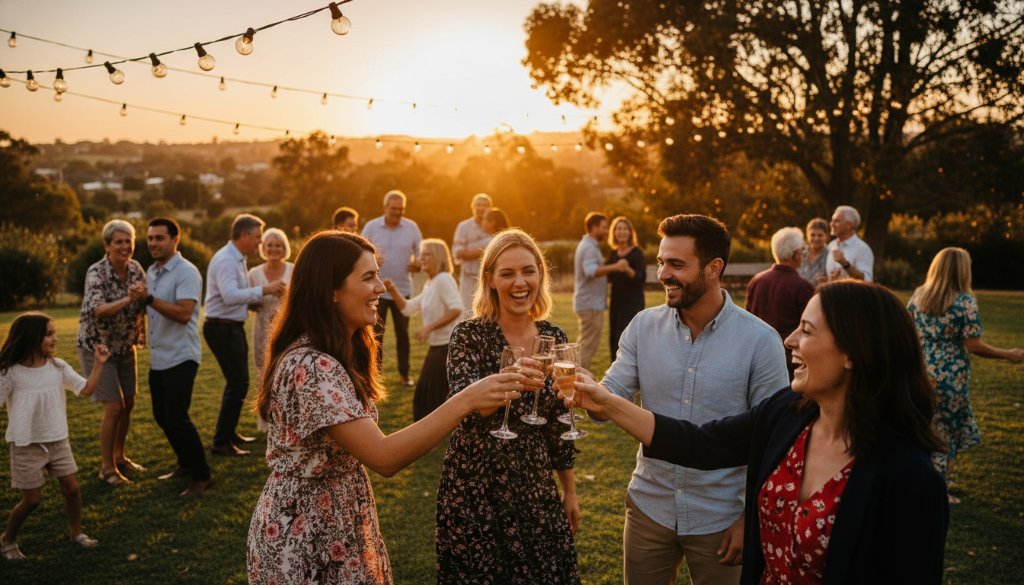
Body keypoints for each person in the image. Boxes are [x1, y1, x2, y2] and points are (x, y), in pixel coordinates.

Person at [574, 280, 950, 584]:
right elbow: (699, 443)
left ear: (852, 353)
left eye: (807, 330)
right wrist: (605, 402)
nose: (790, 341)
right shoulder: (787, 415)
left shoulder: (909, 478)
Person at [246, 231, 525, 585]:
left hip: (338, 518)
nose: (380, 287)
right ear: (330, 289)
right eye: (368, 277)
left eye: (377, 274)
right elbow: (383, 456)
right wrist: (467, 399)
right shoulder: (312, 367)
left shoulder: (336, 352)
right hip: (306, 532)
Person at [597, 214, 789, 585]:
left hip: (722, 516)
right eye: (661, 262)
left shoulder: (760, 341)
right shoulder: (642, 327)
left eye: (676, 264)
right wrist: (586, 391)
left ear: (714, 268)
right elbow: (611, 397)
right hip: (649, 507)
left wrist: (748, 518)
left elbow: (774, 440)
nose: (663, 274)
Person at [436, 228, 581, 584]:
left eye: (529, 271)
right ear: (490, 280)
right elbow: (467, 406)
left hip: (534, 485)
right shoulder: (469, 335)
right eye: (507, 273)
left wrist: (570, 489)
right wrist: (516, 377)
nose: (520, 282)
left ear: (540, 276)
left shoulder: (554, 338)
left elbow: (558, 424)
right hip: (474, 487)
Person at [907, 247, 1024, 502]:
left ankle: (930, 478)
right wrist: (1008, 354)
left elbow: (909, 332)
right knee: (946, 432)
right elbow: (974, 346)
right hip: (951, 377)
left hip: (920, 371)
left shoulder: (918, 296)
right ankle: (939, 489)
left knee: (927, 427)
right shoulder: (965, 302)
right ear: (963, 270)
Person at [1, 312, 109, 559]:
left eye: (54, 333)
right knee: (32, 500)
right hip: (26, 444)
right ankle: (7, 539)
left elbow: (87, 389)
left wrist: (99, 364)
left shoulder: (58, 367)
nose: (55, 339)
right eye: (49, 334)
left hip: (58, 440)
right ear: (31, 337)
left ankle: (76, 532)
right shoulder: (10, 373)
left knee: (72, 490)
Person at [205, 214, 286, 457]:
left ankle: (228, 434)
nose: (260, 242)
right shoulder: (226, 261)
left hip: (231, 326)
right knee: (238, 383)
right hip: (222, 327)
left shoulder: (237, 257)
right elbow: (230, 295)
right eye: (258, 237)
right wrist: (266, 290)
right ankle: (221, 442)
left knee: (236, 383)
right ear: (244, 235)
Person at [144, 218, 214, 496]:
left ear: (176, 240)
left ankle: (202, 475)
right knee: (161, 416)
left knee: (176, 418)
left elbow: (184, 314)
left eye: (159, 238)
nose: (153, 243)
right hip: (158, 355)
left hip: (181, 355)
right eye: (150, 238)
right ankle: (185, 463)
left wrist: (148, 300)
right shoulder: (152, 271)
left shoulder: (187, 272)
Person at [77, 219, 147, 485]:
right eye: (118, 241)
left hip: (125, 346)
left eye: (128, 241)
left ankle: (119, 457)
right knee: (114, 407)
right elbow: (98, 310)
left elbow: (144, 298)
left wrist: (143, 293)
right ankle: (106, 469)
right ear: (107, 245)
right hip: (99, 348)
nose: (125, 246)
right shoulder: (96, 272)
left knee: (128, 403)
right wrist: (131, 297)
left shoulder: (136, 269)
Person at [384, 239, 463, 420]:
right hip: (437, 346)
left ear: (439, 257)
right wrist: (392, 289)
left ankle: (436, 430)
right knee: (425, 396)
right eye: (421, 254)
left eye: (427, 254)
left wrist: (428, 328)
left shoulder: (444, 279)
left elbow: (456, 308)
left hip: (449, 345)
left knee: (427, 397)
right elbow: (408, 308)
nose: (422, 258)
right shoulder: (430, 283)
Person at [361, 190, 423, 387]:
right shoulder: (371, 227)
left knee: (402, 334)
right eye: (394, 209)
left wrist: (417, 264)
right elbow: (359, 251)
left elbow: (422, 253)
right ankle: (375, 376)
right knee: (374, 334)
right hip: (374, 290)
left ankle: (405, 375)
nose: (397, 212)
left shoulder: (412, 227)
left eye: (401, 209)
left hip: (402, 290)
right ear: (385, 208)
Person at [746, 227, 815, 377]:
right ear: (796, 254)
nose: (804, 254)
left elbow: (747, 321)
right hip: (791, 362)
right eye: (803, 250)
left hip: (758, 357)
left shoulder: (757, 281)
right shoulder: (803, 287)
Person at [573, 212, 628, 369]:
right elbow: (590, 271)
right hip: (590, 305)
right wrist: (616, 267)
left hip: (590, 303)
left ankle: (574, 379)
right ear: (594, 227)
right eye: (604, 227)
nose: (606, 231)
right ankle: (576, 382)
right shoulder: (589, 247)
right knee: (587, 347)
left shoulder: (589, 245)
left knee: (585, 344)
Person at [248, 228, 295, 378]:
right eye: (269, 245)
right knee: (264, 371)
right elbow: (248, 302)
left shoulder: (293, 270)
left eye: (278, 245)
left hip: (289, 327)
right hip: (263, 328)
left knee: (287, 368)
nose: (273, 249)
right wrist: (264, 292)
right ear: (263, 248)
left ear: (284, 248)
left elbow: (302, 298)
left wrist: (285, 294)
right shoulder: (254, 273)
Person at [605, 215, 646, 359]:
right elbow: (609, 277)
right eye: (618, 229)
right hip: (616, 302)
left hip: (632, 303)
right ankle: (615, 371)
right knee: (615, 337)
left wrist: (627, 269)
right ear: (614, 232)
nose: (621, 232)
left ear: (630, 232)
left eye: (625, 228)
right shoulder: (613, 254)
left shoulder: (637, 253)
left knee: (629, 338)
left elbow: (641, 278)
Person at [451, 193, 493, 318]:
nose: (481, 208)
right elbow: (457, 251)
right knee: (467, 313)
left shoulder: (494, 226)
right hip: (468, 278)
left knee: (488, 313)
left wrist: (468, 248)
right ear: (472, 207)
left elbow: (493, 247)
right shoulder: (463, 226)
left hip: (489, 279)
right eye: (478, 205)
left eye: (485, 205)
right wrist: (480, 249)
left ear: (490, 208)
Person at [826, 205, 873, 281]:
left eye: (836, 221)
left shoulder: (863, 249)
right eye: (832, 220)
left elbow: (867, 280)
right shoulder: (831, 245)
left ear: (849, 225)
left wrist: (844, 263)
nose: (831, 224)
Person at [797, 217, 829, 284]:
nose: (816, 238)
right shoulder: (800, 253)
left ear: (826, 236)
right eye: (812, 235)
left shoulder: (830, 256)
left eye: (820, 235)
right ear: (807, 236)